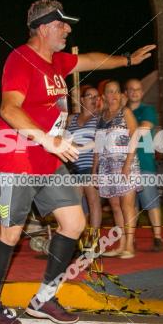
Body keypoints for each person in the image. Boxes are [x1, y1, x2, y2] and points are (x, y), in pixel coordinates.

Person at [0, 0, 155, 324]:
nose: (68, 29)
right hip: (17, 159)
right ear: (44, 28)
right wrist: (47, 138)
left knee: (73, 224)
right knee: (9, 232)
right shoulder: (21, 60)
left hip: (49, 159)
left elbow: (91, 60)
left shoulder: (57, 62)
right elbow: (8, 109)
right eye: (62, 25)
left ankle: (43, 298)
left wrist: (127, 59)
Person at [93, 80, 142, 259]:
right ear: (104, 96)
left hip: (125, 164)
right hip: (106, 167)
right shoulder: (101, 117)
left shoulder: (125, 112)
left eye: (116, 92)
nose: (112, 96)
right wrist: (94, 171)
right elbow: (98, 148)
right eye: (109, 92)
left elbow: (135, 136)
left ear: (120, 95)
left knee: (126, 205)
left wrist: (127, 164)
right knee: (115, 206)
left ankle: (130, 245)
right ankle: (121, 245)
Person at [124, 78, 163, 251]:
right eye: (131, 89)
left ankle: (157, 238)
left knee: (151, 201)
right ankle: (130, 239)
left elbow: (144, 129)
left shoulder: (148, 110)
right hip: (125, 164)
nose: (135, 92)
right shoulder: (120, 112)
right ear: (126, 93)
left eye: (138, 89)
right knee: (130, 205)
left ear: (142, 92)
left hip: (145, 162)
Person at [66, 85, 101, 231]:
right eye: (90, 96)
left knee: (93, 203)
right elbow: (63, 138)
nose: (94, 99)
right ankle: (80, 236)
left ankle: (94, 240)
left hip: (90, 165)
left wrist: (95, 169)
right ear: (82, 100)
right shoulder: (71, 118)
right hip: (74, 166)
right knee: (76, 205)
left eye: (96, 96)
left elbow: (99, 143)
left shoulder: (99, 118)